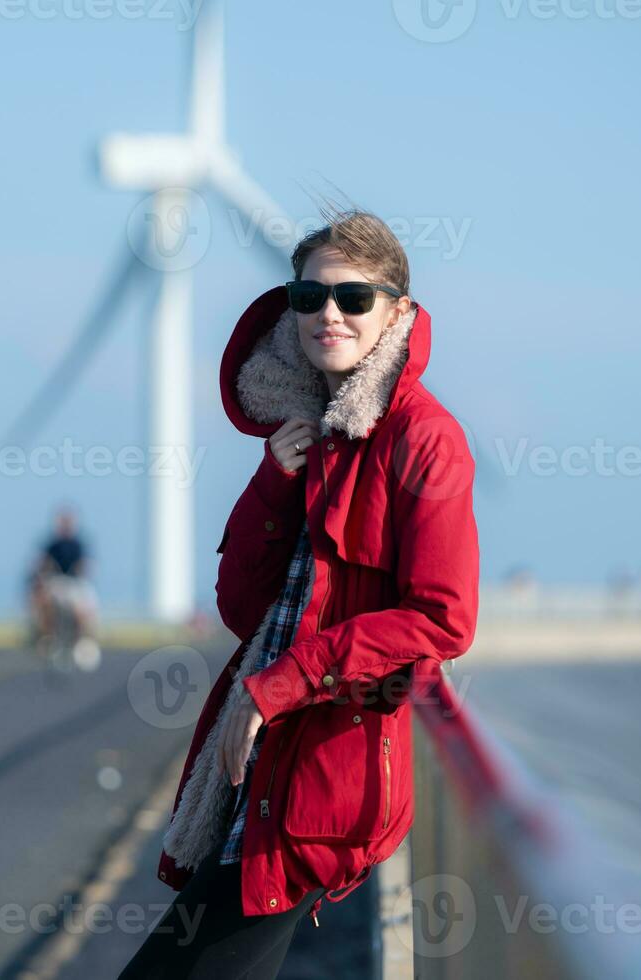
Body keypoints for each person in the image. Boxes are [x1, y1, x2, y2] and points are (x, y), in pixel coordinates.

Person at [120, 205, 480, 978]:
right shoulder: (308, 437)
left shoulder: (424, 437)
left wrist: (274, 689)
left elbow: (441, 619)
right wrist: (272, 484)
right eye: (309, 297)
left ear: (399, 313)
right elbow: (243, 610)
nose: (329, 315)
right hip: (261, 777)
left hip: (324, 780)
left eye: (354, 298)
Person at [26, 506, 100, 667]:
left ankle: (83, 641)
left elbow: (85, 566)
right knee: (45, 602)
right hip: (57, 581)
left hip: (74, 582)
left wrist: (83, 571)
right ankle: (48, 637)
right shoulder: (52, 544)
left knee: (84, 608)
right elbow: (42, 564)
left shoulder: (78, 544)